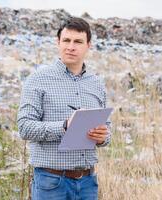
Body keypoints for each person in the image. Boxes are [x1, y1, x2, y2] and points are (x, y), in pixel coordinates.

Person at [17, 17, 111, 200]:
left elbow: (108, 132)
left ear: (88, 45)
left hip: (88, 183)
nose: (71, 47)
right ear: (57, 42)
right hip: (51, 183)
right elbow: (24, 127)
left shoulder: (97, 84)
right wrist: (65, 127)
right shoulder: (38, 79)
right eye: (66, 40)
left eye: (78, 42)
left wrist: (102, 137)